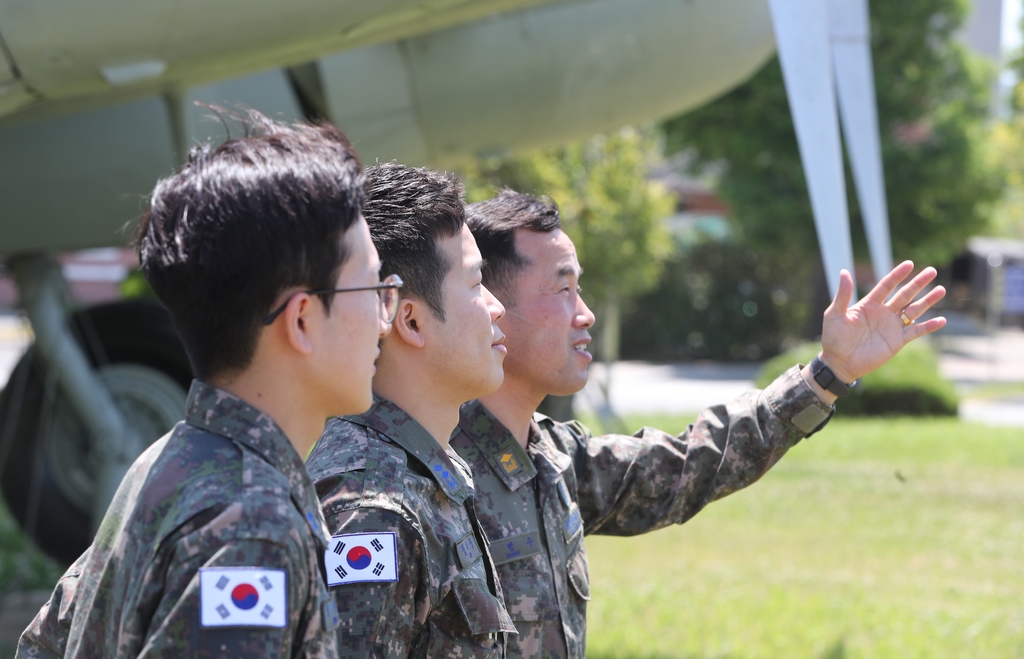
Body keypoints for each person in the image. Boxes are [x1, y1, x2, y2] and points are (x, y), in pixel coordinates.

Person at [451, 189, 947, 659]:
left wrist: (827, 375)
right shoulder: (434, 474)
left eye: (579, 289)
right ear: (488, 306)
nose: (585, 314)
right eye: (562, 289)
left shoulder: (555, 460)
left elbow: (690, 463)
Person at [17, 115, 397, 658]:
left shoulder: (168, 463)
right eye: (373, 285)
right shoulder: (252, 529)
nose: (387, 313)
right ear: (304, 320)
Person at [305, 163, 516, 659]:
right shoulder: (371, 510)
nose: (496, 306)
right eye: (474, 284)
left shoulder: (422, 471)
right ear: (412, 320)